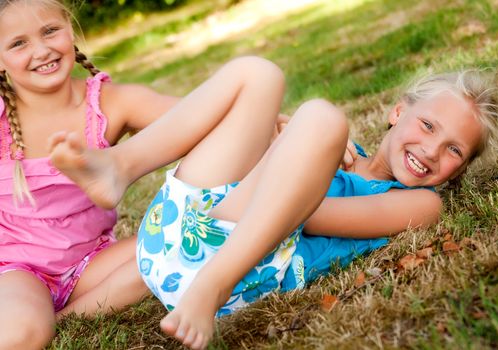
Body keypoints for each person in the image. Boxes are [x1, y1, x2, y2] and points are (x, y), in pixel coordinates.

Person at [49, 63, 498, 350]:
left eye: (454, 151)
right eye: (427, 125)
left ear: (459, 169)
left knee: (322, 116)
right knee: (259, 74)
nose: (430, 150)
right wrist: (287, 142)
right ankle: (121, 166)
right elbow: (262, 180)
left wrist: (303, 147)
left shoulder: (421, 205)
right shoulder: (340, 152)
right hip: (175, 235)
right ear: (396, 112)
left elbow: (302, 212)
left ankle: (211, 286)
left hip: (244, 270)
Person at [0, 1, 290, 349]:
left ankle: (67, 317)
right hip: (16, 269)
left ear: (70, 28)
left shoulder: (110, 102)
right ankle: (38, 316)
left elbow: (204, 115)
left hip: (92, 263)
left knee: (174, 252)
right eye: (18, 43)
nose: (42, 50)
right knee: (22, 334)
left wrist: (282, 123)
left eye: (50, 31)